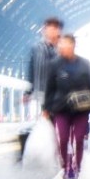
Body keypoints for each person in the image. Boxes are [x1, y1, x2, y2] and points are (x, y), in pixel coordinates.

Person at [42, 34, 90, 179]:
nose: (62, 47)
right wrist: (46, 108)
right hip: (61, 109)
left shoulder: (84, 64)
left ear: (73, 45)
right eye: (60, 44)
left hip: (81, 109)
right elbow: (49, 88)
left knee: (79, 139)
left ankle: (76, 167)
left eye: (65, 44)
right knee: (62, 139)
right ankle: (66, 166)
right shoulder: (54, 65)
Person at [20, 16, 62, 160]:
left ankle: (58, 150)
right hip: (43, 93)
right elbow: (31, 70)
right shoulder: (36, 48)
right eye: (50, 28)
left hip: (59, 93)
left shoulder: (61, 49)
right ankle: (53, 151)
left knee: (57, 121)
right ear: (44, 30)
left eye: (55, 28)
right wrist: (28, 92)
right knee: (49, 121)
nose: (52, 31)